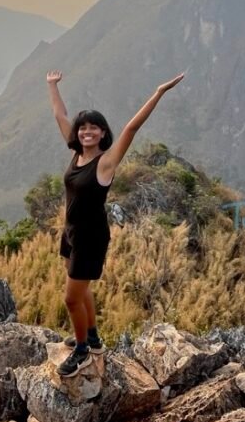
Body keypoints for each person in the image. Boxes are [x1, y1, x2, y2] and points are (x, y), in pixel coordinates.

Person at [45, 68, 186, 377]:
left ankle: (82, 351)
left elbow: (132, 128)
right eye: (83, 128)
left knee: (71, 298)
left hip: (91, 238)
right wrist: (52, 85)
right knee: (81, 291)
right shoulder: (76, 154)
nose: (86, 132)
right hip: (72, 233)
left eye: (93, 128)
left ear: (102, 133)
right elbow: (59, 115)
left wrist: (159, 92)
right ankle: (92, 338)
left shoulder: (105, 162)